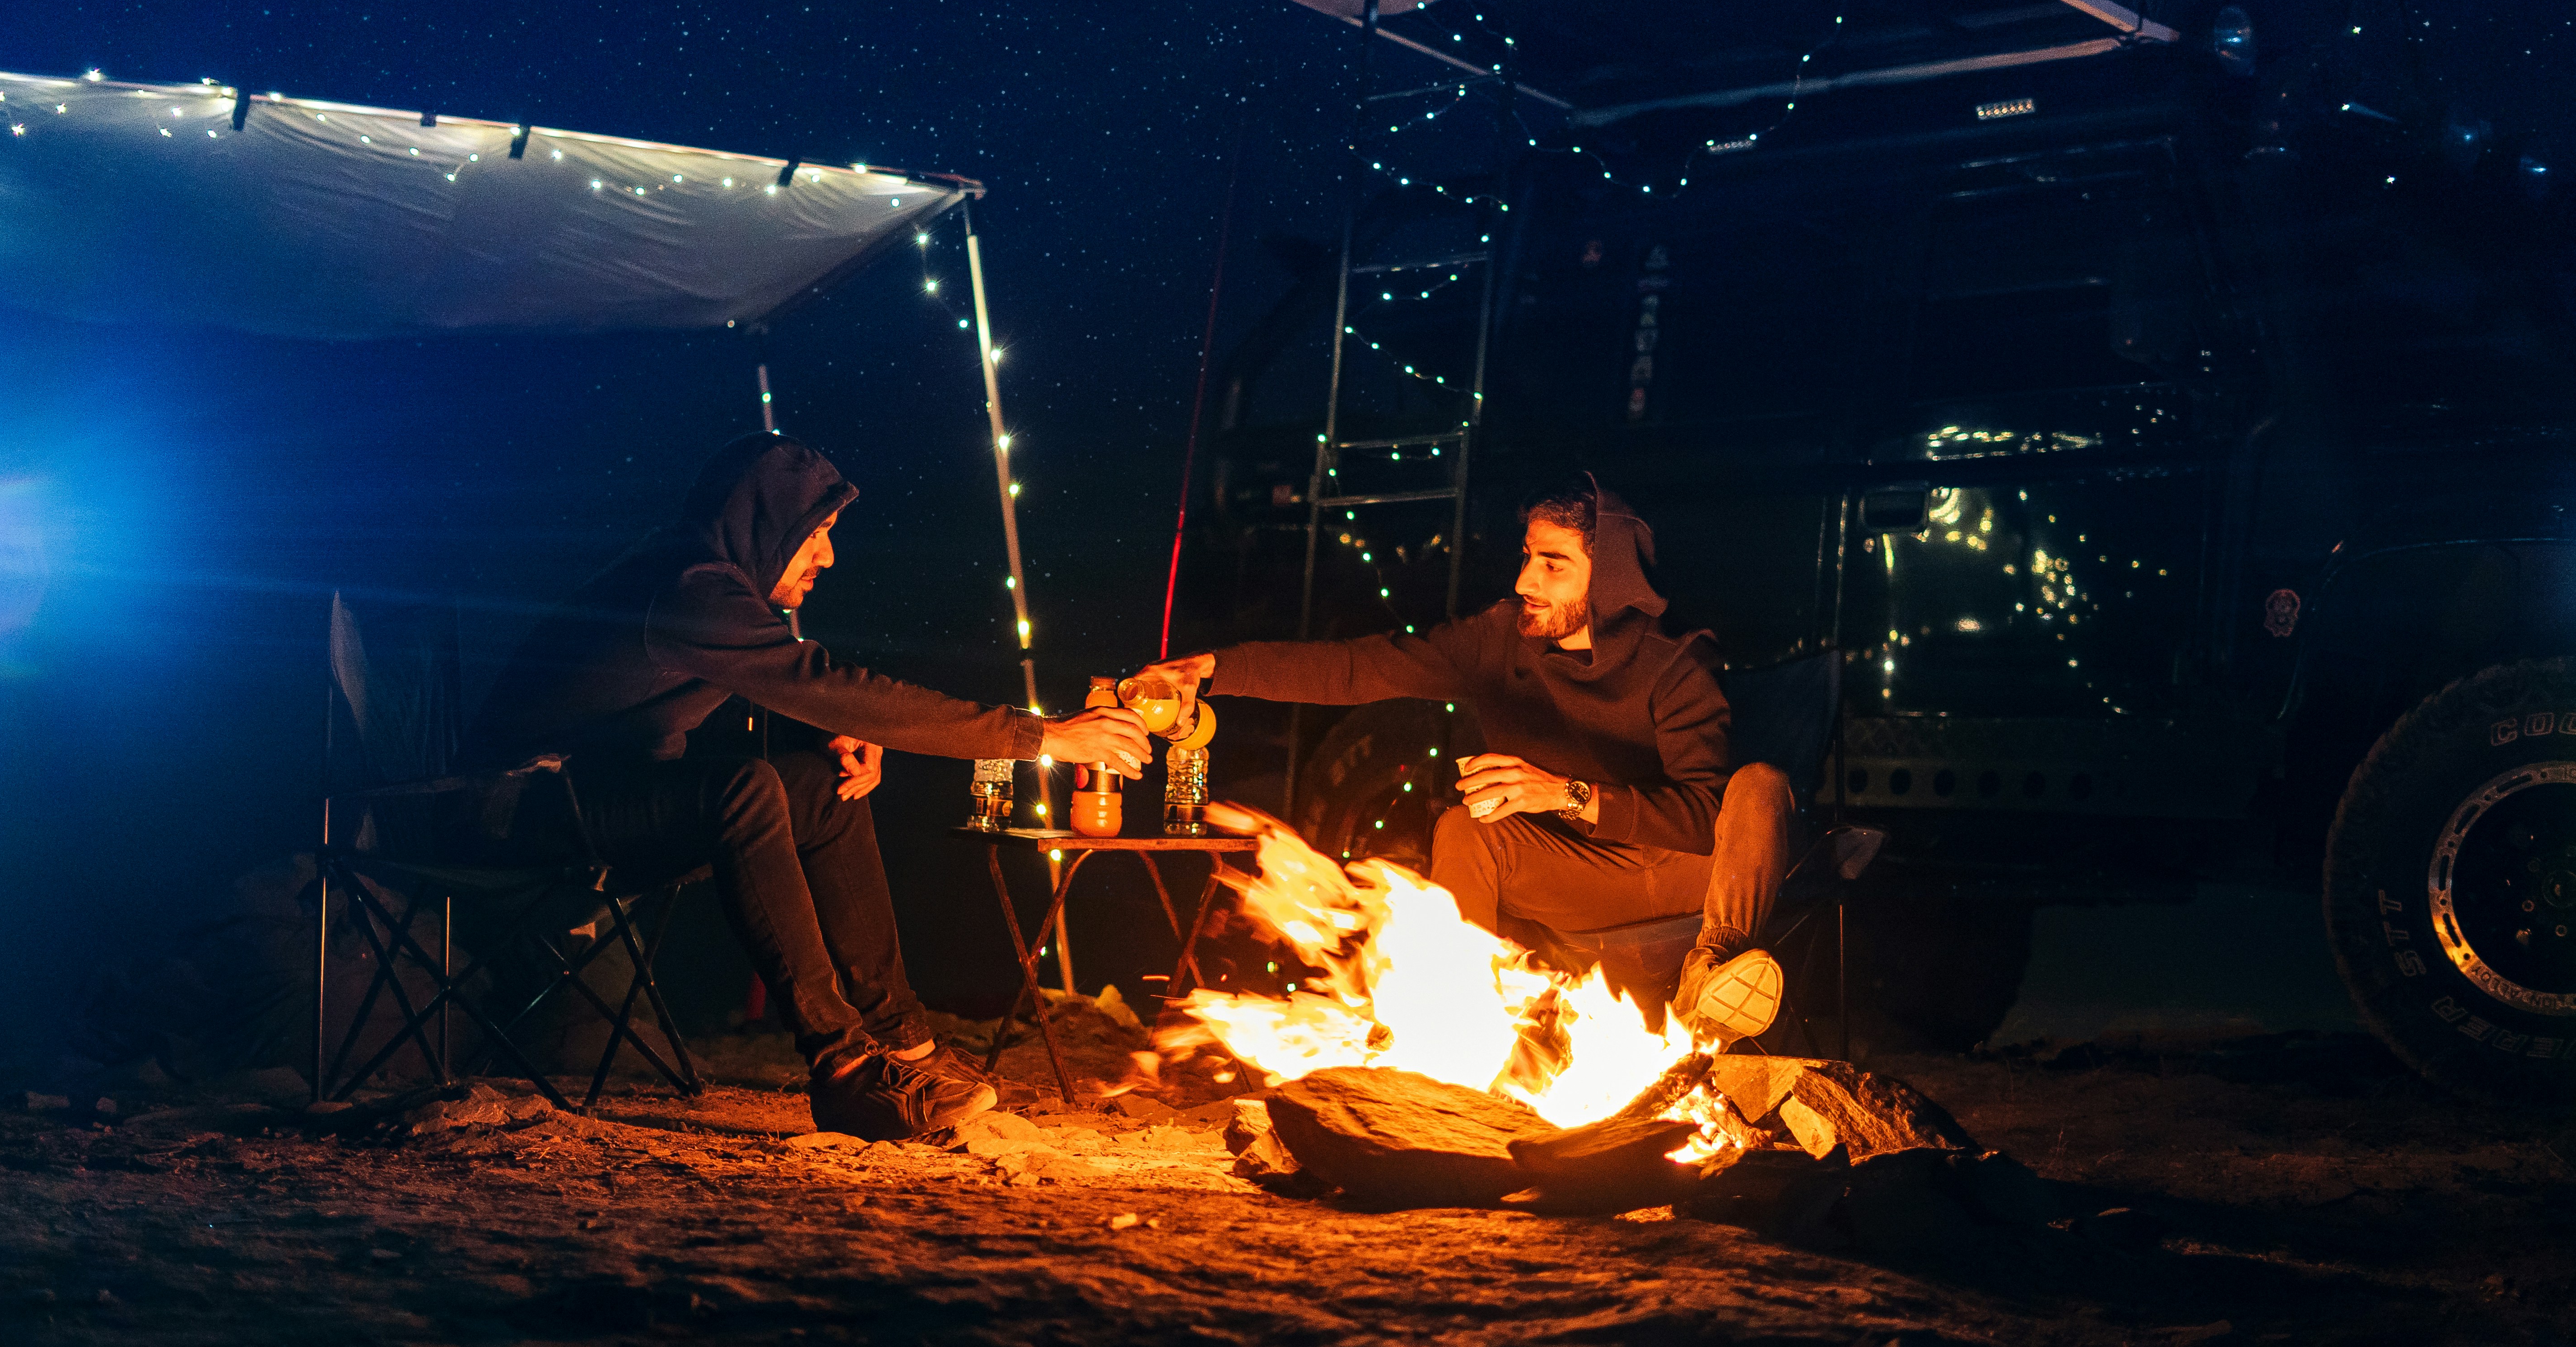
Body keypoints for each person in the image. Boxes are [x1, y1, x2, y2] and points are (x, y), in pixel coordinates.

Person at [464, 434, 1149, 1139]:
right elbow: (823, 684)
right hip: (515, 813)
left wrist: (829, 732)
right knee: (744, 788)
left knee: (823, 787)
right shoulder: (690, 588)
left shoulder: (709, 585)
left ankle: (903, 1043)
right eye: (816, 533)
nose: (826, 556)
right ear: (765, 524)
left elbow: (779, 689)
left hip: (604, 798)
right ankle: (844, 1069)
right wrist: (1044, 736)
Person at [1147, 478, 1793, 1039]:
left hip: (1687, 873)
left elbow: (1704, 816)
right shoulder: (1497, 640)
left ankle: (1715, 981)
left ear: (1612, 579)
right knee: (1465, 828)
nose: (1525, 582)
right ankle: (1457, 1027)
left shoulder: (1676, 661)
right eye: (1526, 558)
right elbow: (1357, 667)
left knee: (1761, 787)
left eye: (1553, 565)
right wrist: (1216, 668)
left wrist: (1563, 792)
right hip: (1576, 878)